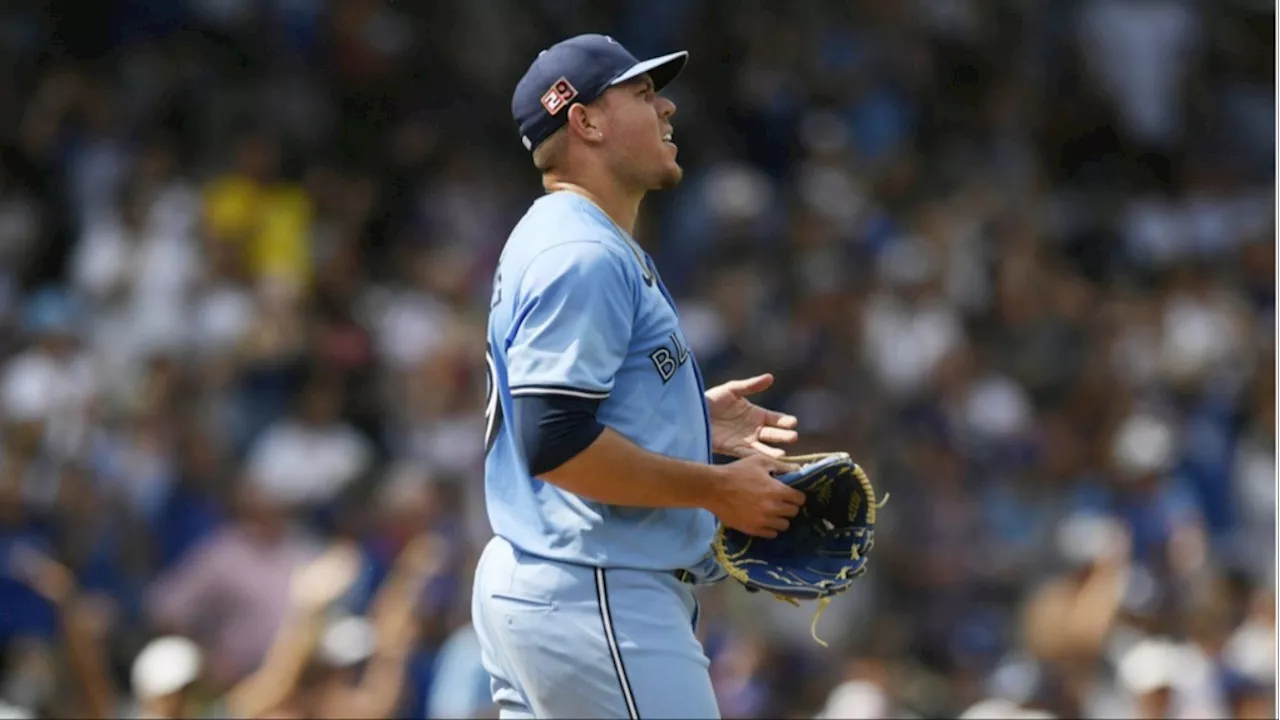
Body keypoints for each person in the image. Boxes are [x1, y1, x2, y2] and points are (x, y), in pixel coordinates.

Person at [472, 33, 808, 718]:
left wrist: (686, 418)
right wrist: (718, 489)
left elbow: (565, 417)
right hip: (596, 586)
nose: (668, 108)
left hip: (559, 583)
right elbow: (556, 444)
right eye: (642, 93)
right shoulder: (581, 252)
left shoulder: (576, 237)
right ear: (585, 121)